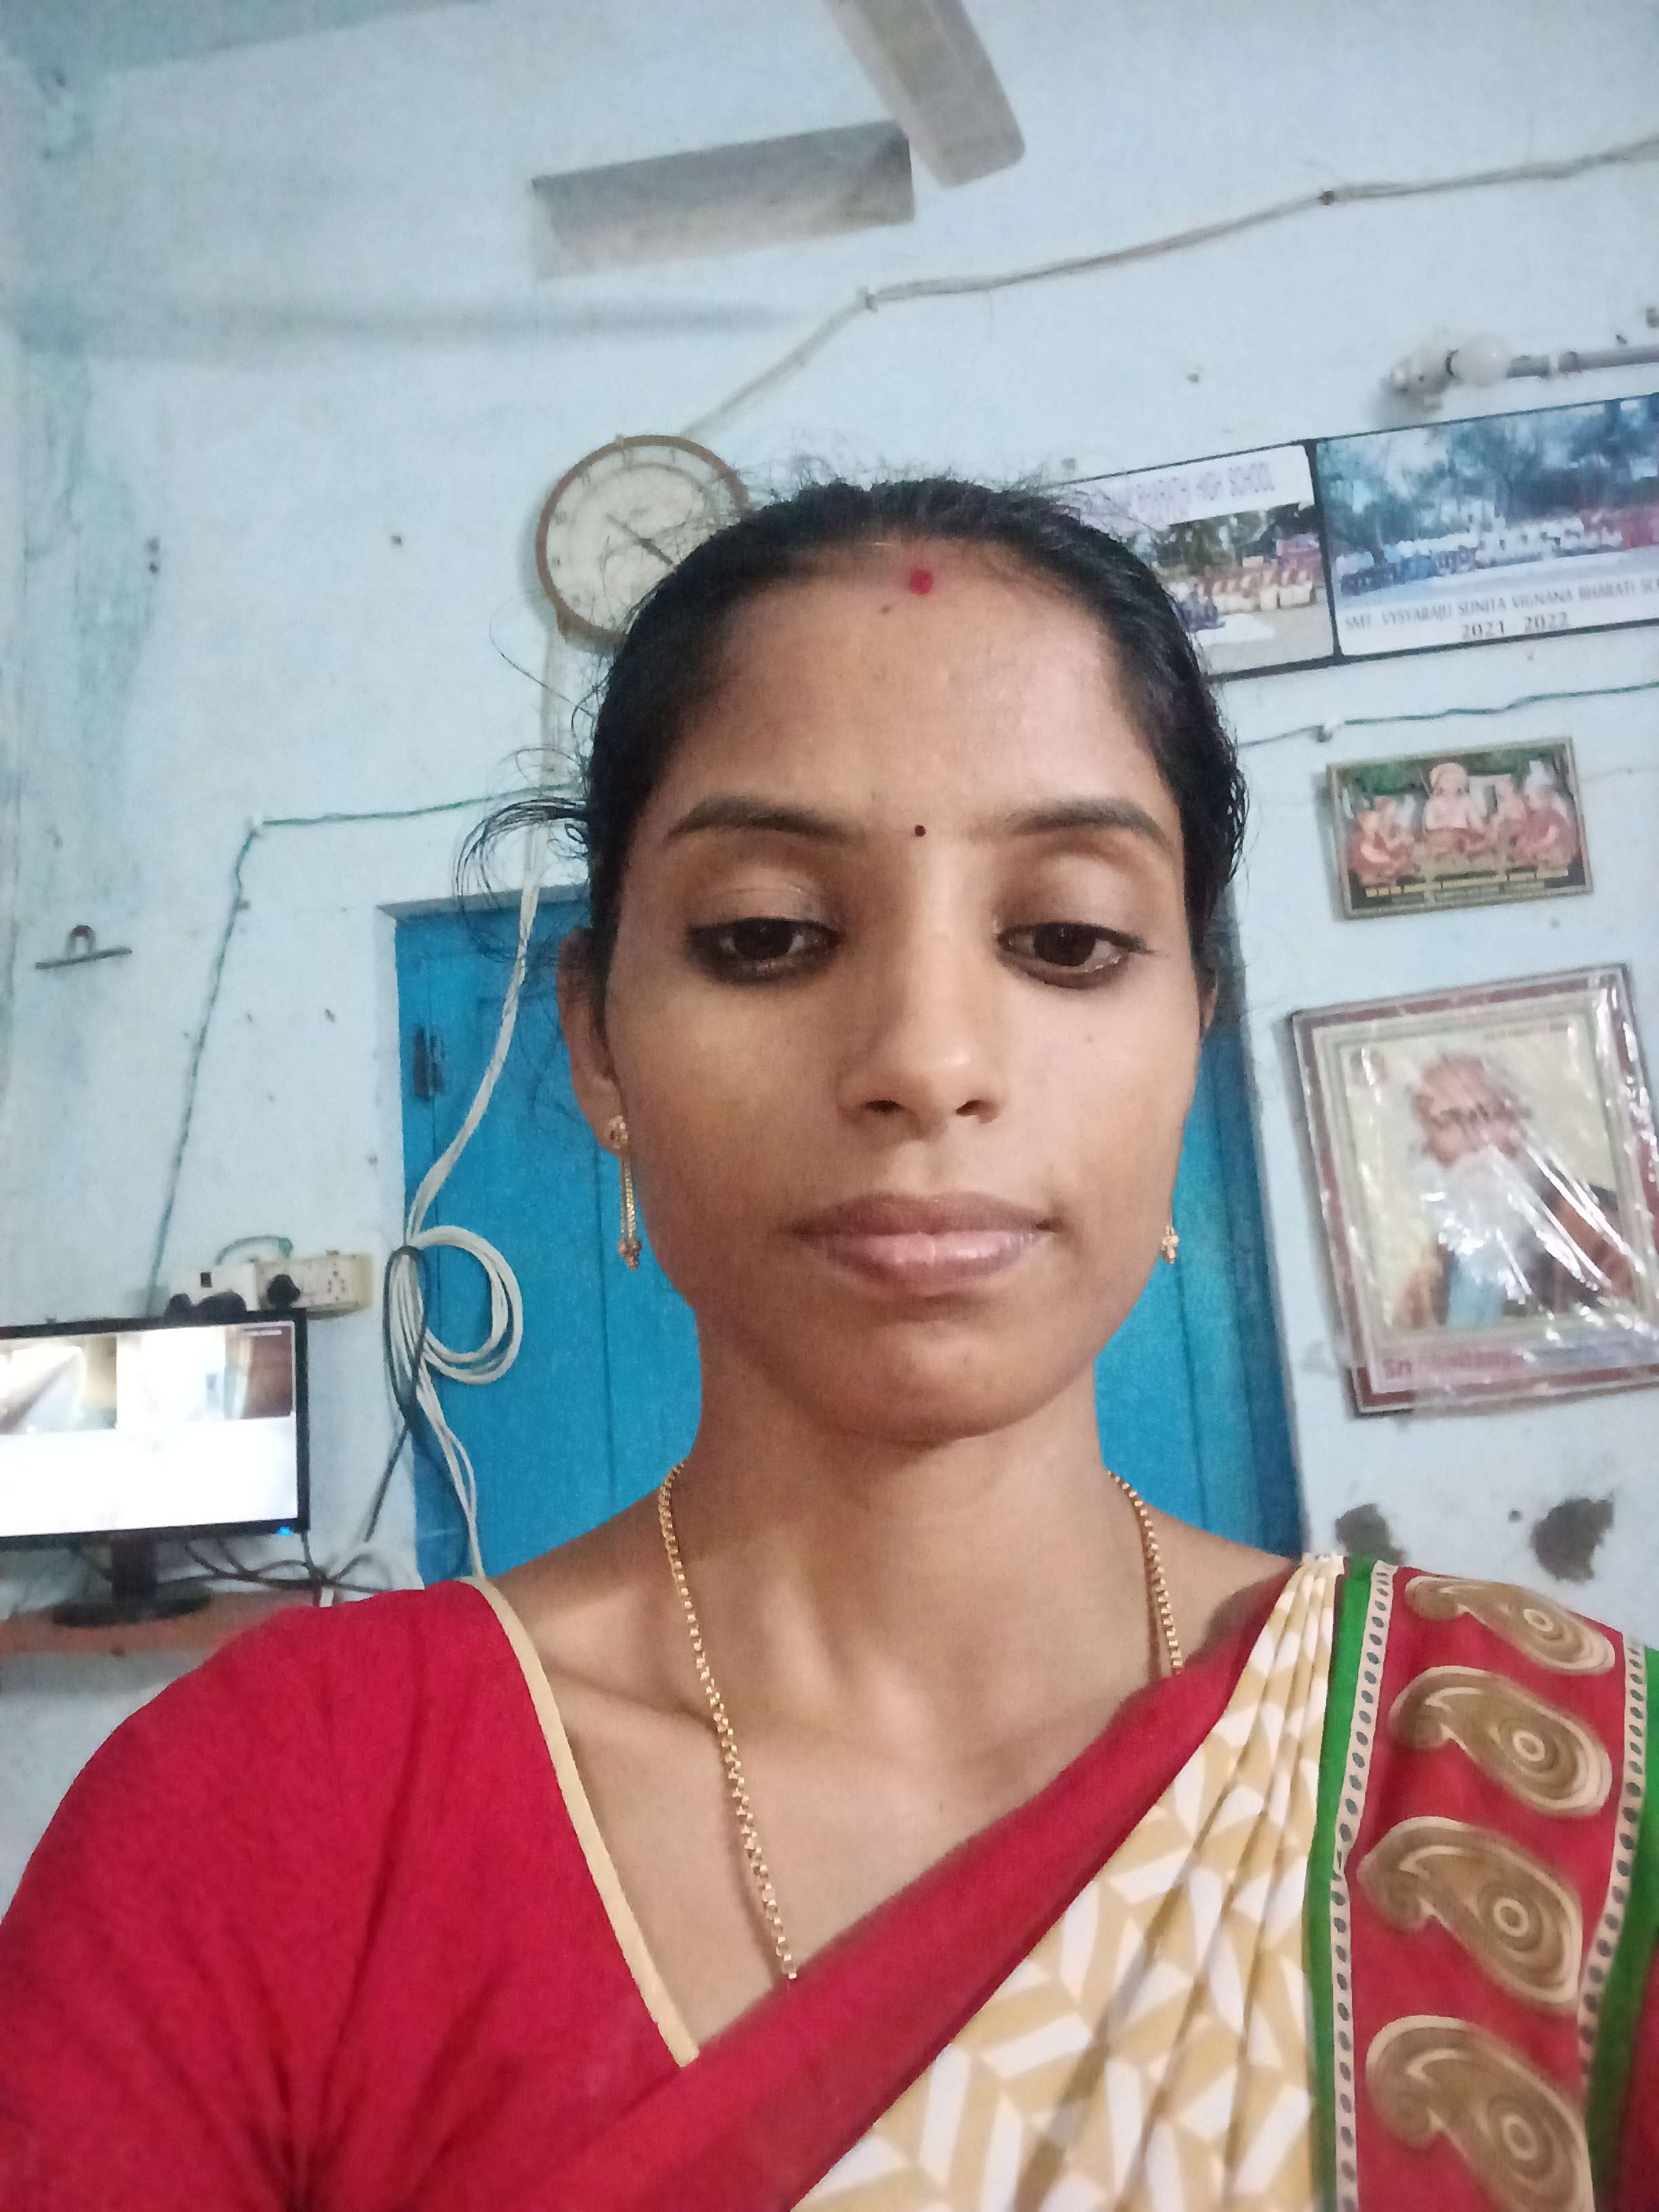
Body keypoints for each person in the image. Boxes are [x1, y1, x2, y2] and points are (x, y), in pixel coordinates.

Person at [2, 478, 1655, 2211]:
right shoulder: (271, 1821)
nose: (925, 1060)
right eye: (767, 937)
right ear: (598, 1045)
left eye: (1067, 939)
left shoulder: (1523, 1788)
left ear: (1192, 1032)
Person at [1393, 1050, 1635, 1331]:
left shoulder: (1596, 1226)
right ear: (1426, 1144)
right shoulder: (1430, 1275)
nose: (1473, 1136)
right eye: (1449, 1120)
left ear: (1521, 1122)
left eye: (1488, 1113)